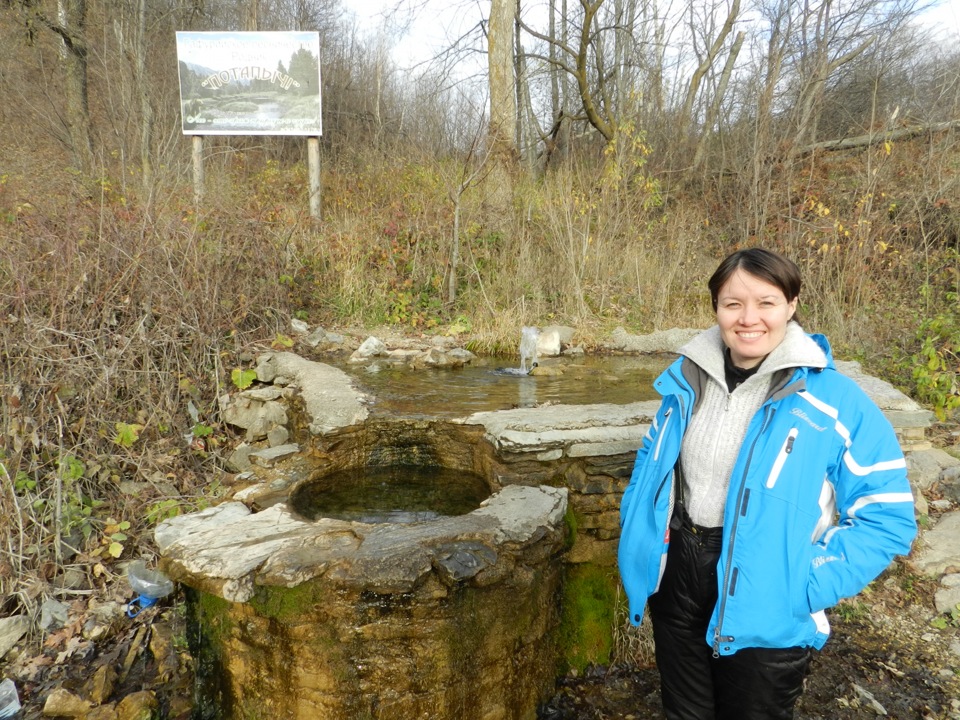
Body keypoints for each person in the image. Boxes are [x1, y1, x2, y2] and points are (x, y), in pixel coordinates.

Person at [617, 247, 917, 720]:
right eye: (732, 303)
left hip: (769, 592)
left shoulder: (834, 400)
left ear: (791, 305)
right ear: (716, 308)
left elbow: (889, 517)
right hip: (678, 578)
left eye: (766, 302)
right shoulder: (685, 380)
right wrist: (640, 536)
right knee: (685, 712)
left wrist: (804, 581)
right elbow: (648, 466)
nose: (748, 318)